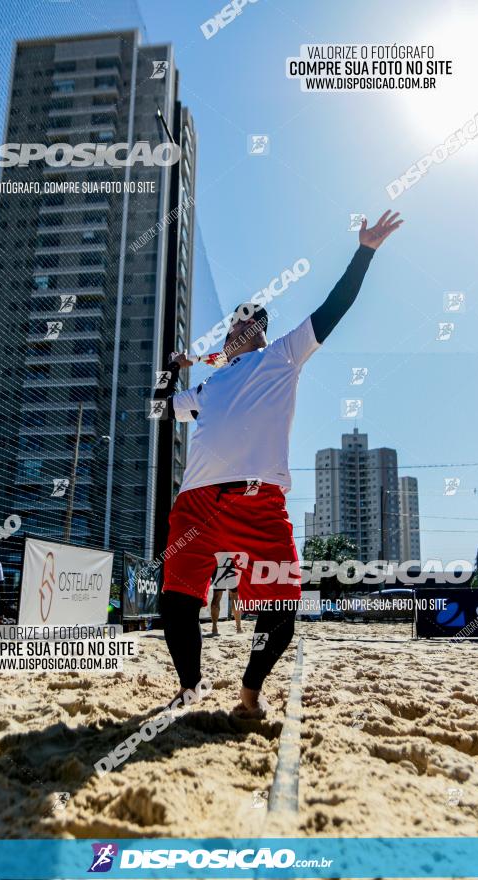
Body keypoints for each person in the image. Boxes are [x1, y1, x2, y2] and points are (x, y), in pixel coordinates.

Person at [156, 212, 403, 716]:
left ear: (257, 329)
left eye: (238, 323)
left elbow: (335, 307)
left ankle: (249, 693)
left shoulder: (284, 355)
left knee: (282, 608)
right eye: (228, 325)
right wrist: (170, 370)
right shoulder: (209, 384)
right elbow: (161, 409)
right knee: (177, 599)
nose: (229, 330)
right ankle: (190, 688)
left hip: (258, 499)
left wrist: (365, 251)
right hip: (197, 501)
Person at [210, 555, 243, 636]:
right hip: (232, 563)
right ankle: (239, 628)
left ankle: (214, 628)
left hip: (219, 562)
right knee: (235, 597)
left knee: (217, 596)